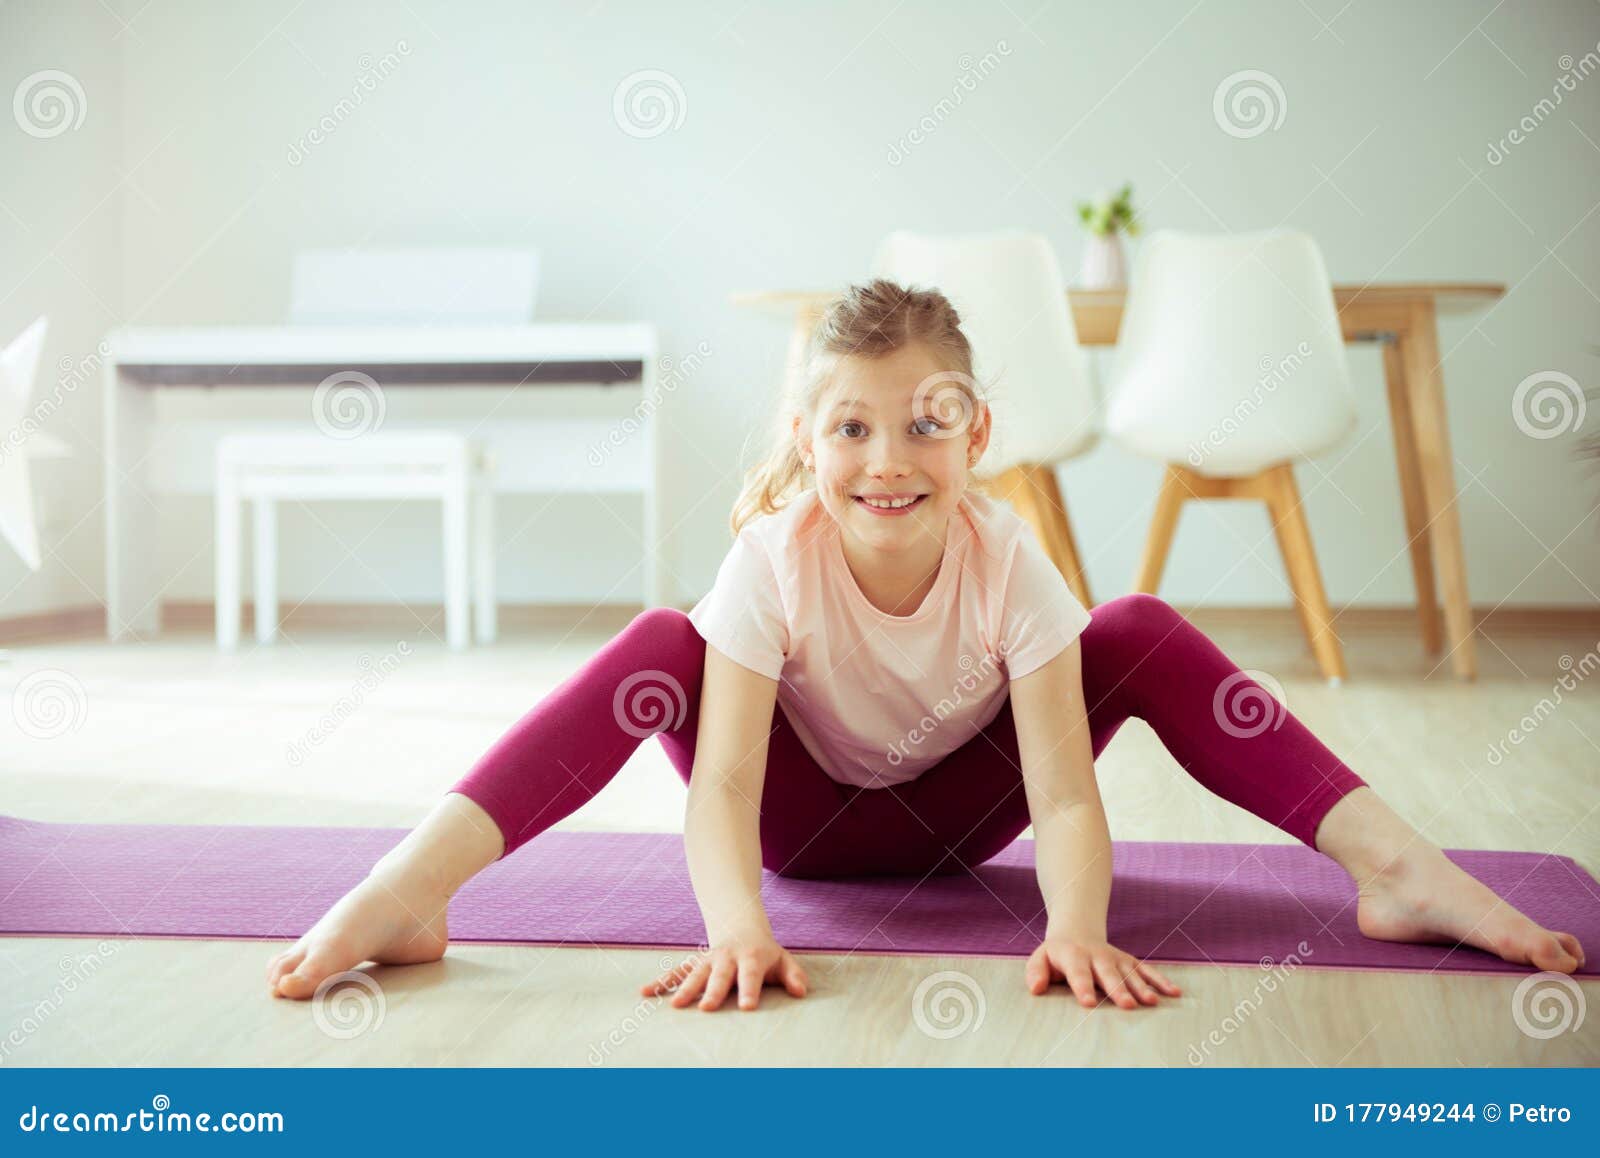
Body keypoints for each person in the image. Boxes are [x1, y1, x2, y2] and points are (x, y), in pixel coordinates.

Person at [267, 280, 1585, 1012]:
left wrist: (1075, 927)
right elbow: (723, 786)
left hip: (968, 819)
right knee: (658, 638)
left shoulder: (1009, 557)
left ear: (977, 434)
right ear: (805, 440)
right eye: (849, 428)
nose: (886, 461)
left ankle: (1400, 867)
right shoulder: (773, 553)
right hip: (802, 827)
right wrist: (739, 928)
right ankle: (411, 883)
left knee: (1132, 626)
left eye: (924, 424)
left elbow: (1064, 789)